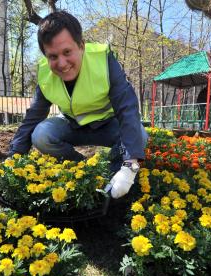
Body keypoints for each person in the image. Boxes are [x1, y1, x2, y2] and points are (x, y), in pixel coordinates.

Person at [8, 11, 148, 199]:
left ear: (81, 45)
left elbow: (127, 108)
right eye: (53, 56)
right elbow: (33, 117)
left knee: (140, 134)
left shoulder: (103, 60)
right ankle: (81, 166)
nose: (62, 63)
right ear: (45, 56)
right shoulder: (44, 73)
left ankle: (113, 174)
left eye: (67, 52)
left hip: (108, 125)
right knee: (41, 134)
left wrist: (130, 165)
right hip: (72, 125)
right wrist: (13, 159)